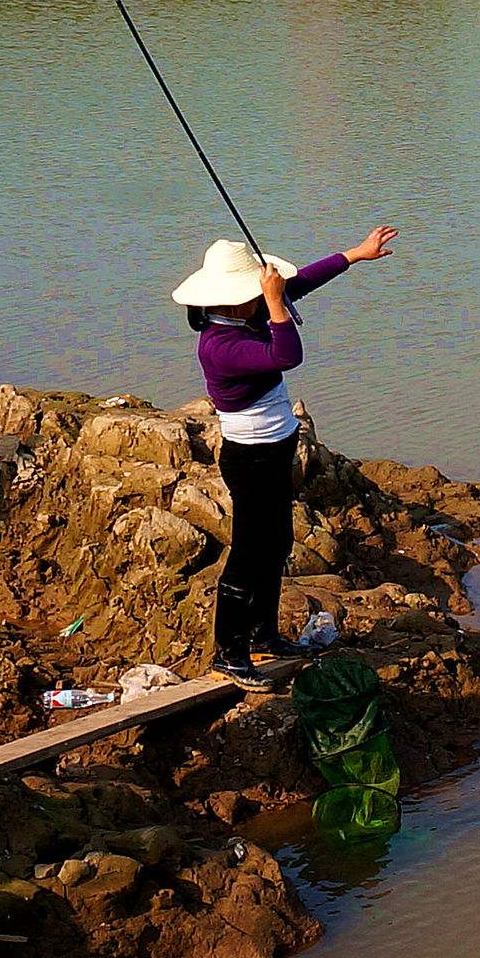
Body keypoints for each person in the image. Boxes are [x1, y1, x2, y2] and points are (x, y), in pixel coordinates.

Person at [174, 227, 397, 685]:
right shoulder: (220, 345)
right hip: (249, 457)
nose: (266, 294)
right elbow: (287, 354)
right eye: (257, 291)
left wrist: (354, 254)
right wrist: (275, 303)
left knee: (276, 544)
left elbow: (301, 283)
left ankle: (263, 635)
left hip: (276, 448)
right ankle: (229, 652)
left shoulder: (246, 317)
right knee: (250, 552)